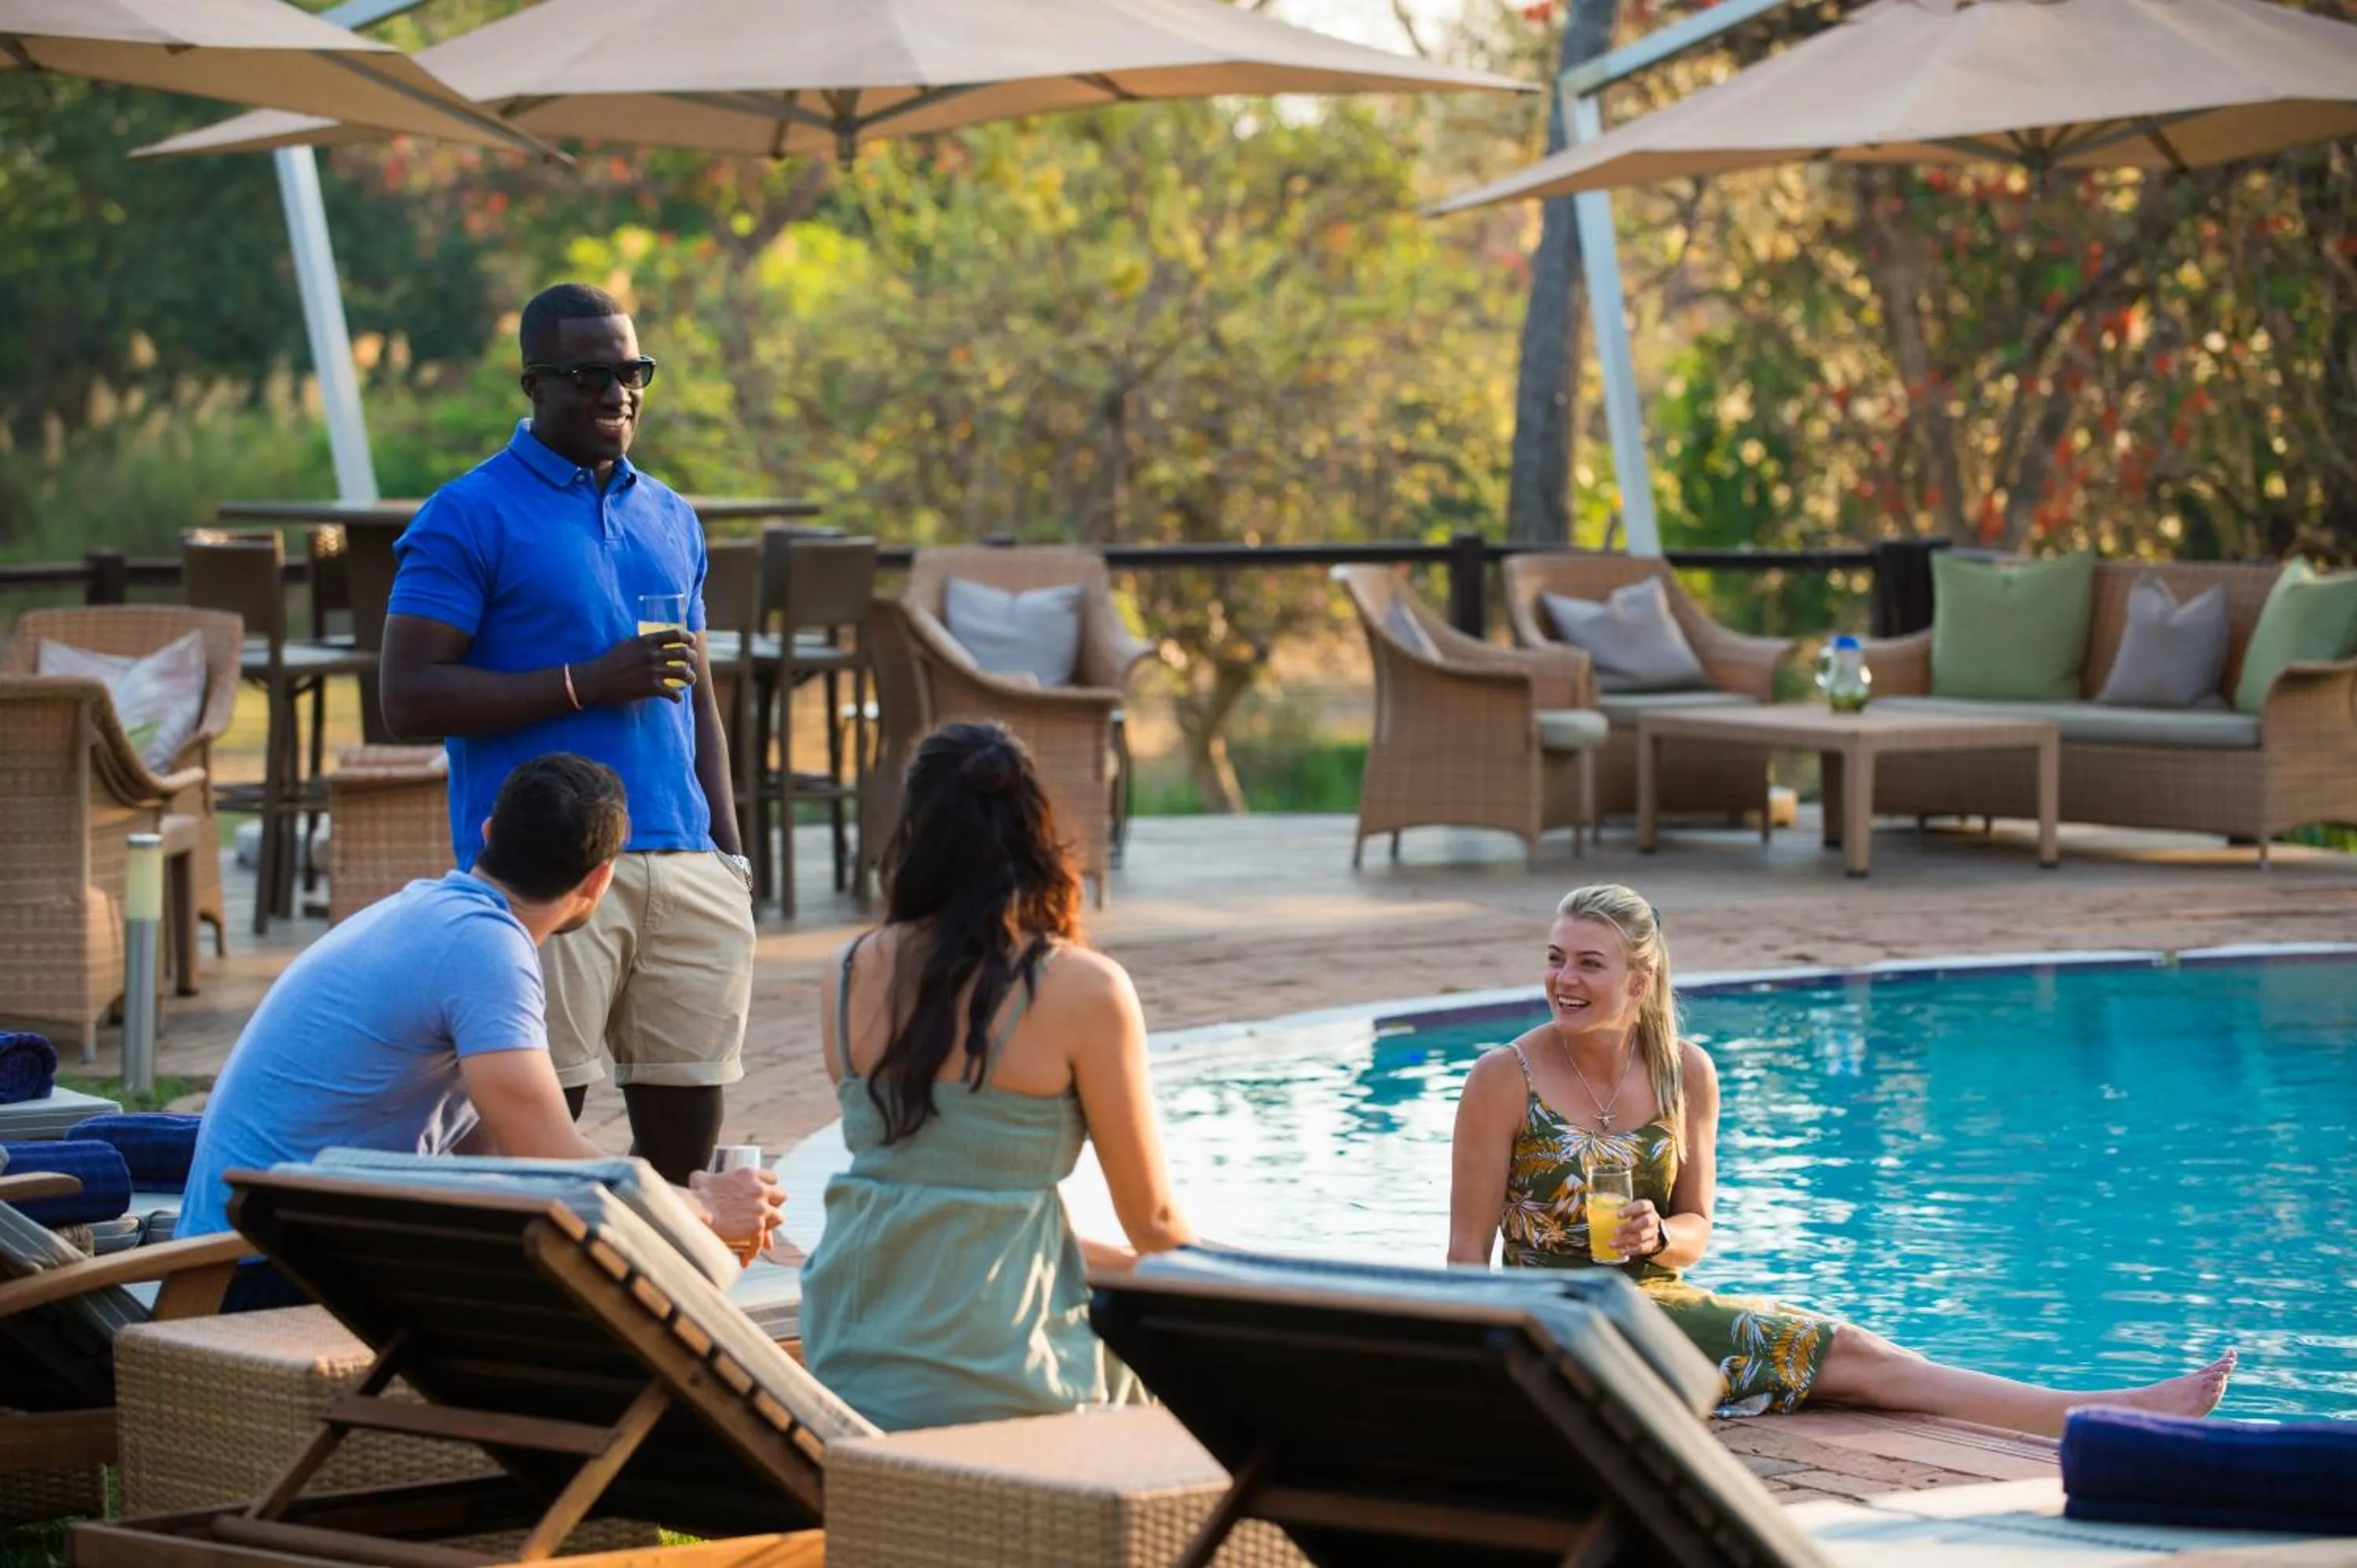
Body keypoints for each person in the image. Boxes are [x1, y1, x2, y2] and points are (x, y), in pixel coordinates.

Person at [1447, 883, 2236, 1438]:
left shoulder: (1685, 1069)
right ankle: (2102, 1411)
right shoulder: (1502, 1076)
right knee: (1854, 1354)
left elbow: (1695, 1228)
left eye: (1589, 962)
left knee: (1856, 1354)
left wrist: (1656, 1237)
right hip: (1557, 1318)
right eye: (1556, 958)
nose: (1563, 979)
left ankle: (2094, 1409)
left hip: (1654, 1302)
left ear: (1641, 978)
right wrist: (1487, 1376)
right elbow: (1463, 1256)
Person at [381, 281, 754, 1185]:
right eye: (591, 373)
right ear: (533, 383)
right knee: (540, 1138)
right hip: (549, 868)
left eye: (633, 371)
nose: (617, 391)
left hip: (684, 861)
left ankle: (655, 1306)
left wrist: (730, 857)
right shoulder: (468, 513)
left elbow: (696, 695)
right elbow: (408, 697)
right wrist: (584, 685)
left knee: (683, 1142)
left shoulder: (669, 514)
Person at [180, 754, 781, 1312]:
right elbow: (548, 1155)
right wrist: (704, 1208)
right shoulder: (486, 949)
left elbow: (493, 1162)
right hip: (261, 1275)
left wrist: (681, 1214)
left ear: (490, 833)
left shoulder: (430, 911)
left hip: (242, 1252)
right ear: (600, 880)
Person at [800, 722, 1196, 1431]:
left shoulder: (846, 972)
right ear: (1035, 833)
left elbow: (937, 1196)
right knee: (1176, 1380)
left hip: (853, 1353)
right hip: (1006, 1370)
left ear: (912, 832)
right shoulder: (1084, 990)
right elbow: (1156, 1224)